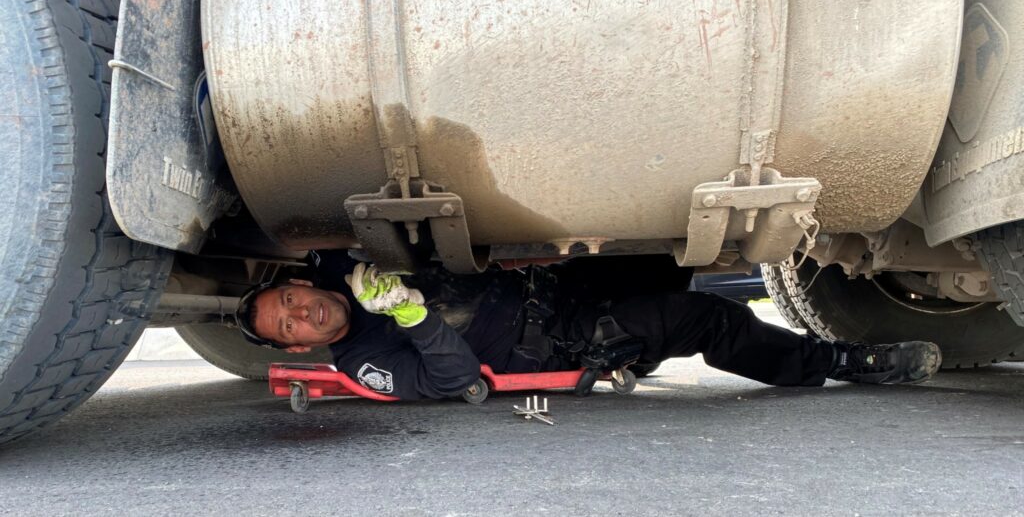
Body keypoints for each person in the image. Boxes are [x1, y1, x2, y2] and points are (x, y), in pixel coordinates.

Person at [234, 251, 941, 400]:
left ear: (302, 284)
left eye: (292, 301)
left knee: (665, 261)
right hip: (562, 337)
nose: (302, 316)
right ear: (296, 348)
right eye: (289, 329)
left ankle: (652, 340)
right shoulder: (363, 359)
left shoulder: (346, 272)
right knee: (703, 317)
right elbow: (449, 380)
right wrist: (414, 317)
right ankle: (839, 363)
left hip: (549, 283)